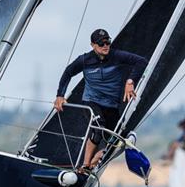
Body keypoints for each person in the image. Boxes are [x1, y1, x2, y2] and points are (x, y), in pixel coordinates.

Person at [54, 28, 147, 170]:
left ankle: (95, 160)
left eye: (108, 42)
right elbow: (68, 72)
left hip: (111, 104)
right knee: (98, 127)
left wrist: (130, 81)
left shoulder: (117, 56)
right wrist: (60, 95)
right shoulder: (85, 60)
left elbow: (141, 61)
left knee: (116, 138)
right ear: (93, 45)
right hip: (91, 101)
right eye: (101, 43)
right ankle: (85, 165)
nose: (105, 46)